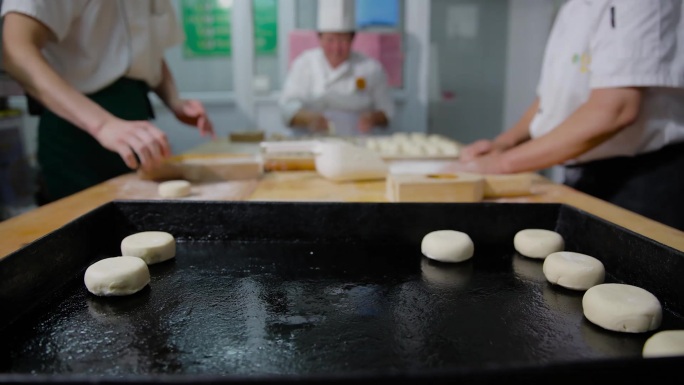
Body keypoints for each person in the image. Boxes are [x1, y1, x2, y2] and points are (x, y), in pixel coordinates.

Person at [443, 0, 684, 231]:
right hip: (586, 173)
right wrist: (504, 143)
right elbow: (550, 99)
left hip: (642, 181)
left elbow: (616, 108)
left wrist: (501, 164)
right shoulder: (574, 7)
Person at [1, 0, 215, 204]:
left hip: (133, 127)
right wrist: (102, 124)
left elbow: (149, 53)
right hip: (76, 132)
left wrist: (174, 99)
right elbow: (16, 51)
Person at [279, 0, 394, 137]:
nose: (336, 49)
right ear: (319, 38)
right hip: (310, 142)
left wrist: (373, 118)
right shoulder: (304, 64)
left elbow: (387, 112)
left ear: (353, 39)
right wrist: (309, 119)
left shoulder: (370, 68)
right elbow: (287, 108)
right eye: (330, 40)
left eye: (343, 41)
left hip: (357, 143)